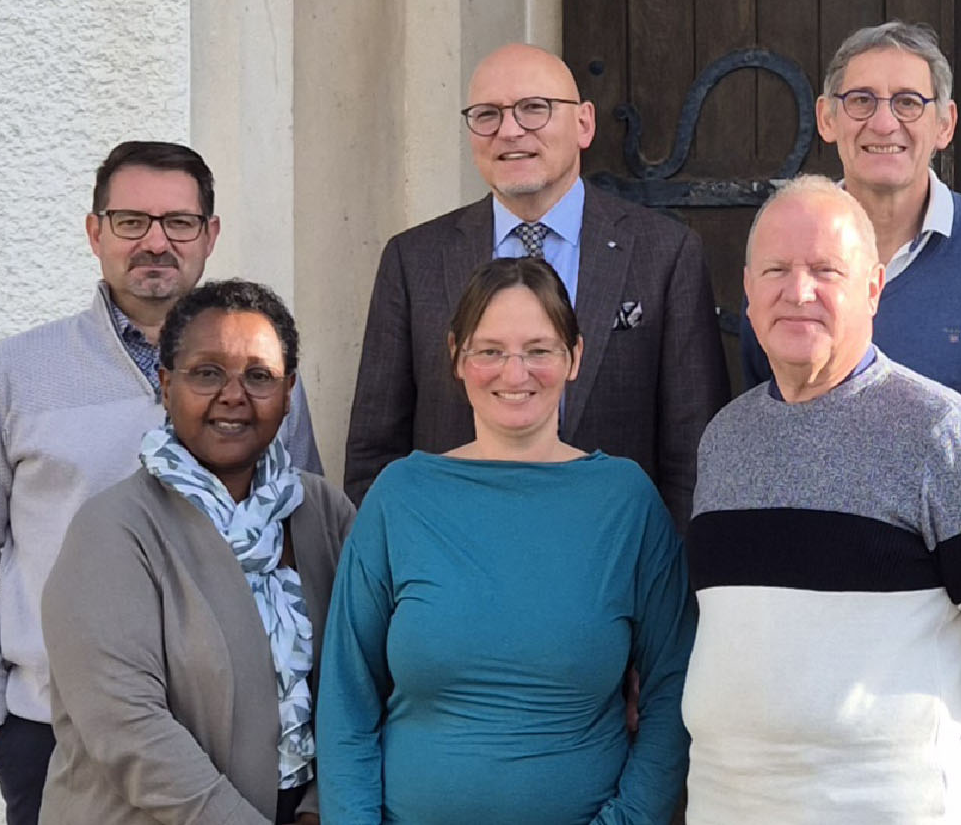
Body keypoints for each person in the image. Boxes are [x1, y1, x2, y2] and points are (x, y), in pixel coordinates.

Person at [736, 24, 961, 818]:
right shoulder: (792, 258)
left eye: (907, 101)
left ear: (945, 124)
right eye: (861, 100)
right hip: (814, 647)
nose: (882, 122)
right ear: (826, 117)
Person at [0, 141, 321, 825]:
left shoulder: (264, 372)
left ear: (211, 234)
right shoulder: (18, 372)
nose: (156, 242)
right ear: (95, 232)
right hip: (62, 741)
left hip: (247, 746)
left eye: (179, 222)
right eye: (132, 221)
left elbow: (301, 542)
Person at [685, 176, 961, 825]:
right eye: (776, 269)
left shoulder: (945, 435)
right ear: (747, 293)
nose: (797, 292)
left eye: (825, 270)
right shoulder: (725, 440)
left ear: (872, 289)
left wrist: (935, 755)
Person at [318, 257, 693, 824]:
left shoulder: (625, 500)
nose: (514, 373)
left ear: (575, 358)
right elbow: (347, 695)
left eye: (539, 350)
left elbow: (674, 683)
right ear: (457, 358)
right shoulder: (401, 497)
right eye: (490, 350)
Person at [346, 43, 727, 524]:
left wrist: (670, 583)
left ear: (584, 123)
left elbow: (693, 452)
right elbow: (373, 452)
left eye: (534, 109)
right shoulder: (413, 259)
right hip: (453, 563)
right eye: (487, 114)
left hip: (613, 565)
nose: (509, 130)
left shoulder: (666, 255)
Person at [39, 279, 352, 824]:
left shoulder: (322, 512)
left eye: (259, 377)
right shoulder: (114, 529)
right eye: (207, 373)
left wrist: (316, 809)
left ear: (288, 393)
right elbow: (129, 729)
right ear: (166, 385)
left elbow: (364, 679)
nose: (233, 395)